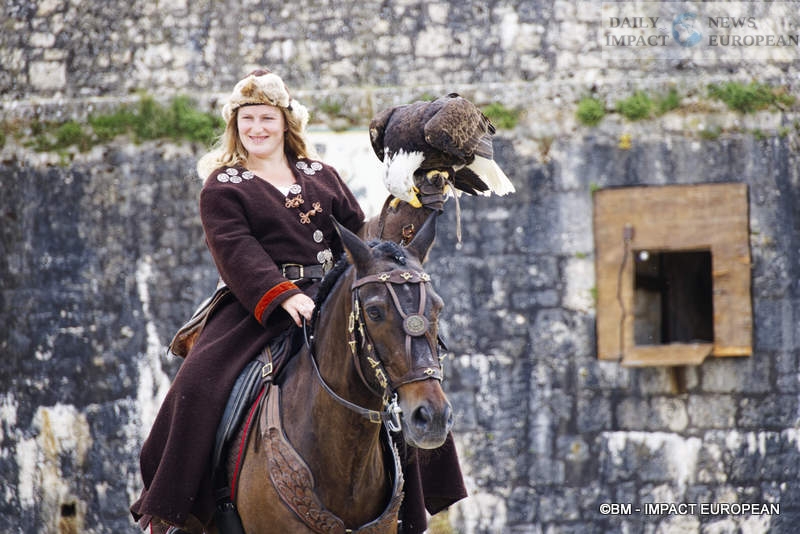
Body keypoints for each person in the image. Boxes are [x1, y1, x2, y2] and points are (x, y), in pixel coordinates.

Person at [130, 69, 465, 534]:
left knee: (403, 370)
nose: (257, 128)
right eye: (247, 119)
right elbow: (235, 250)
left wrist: (409, 203)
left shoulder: (320, 175)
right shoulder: (224, 185)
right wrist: (283, 295)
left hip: (331, 297)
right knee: (197, 386)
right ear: (235, 124)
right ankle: (176, 513)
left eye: (266, 118)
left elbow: (360, 236)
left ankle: (412, 504)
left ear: (285, 122)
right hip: (256, 305)